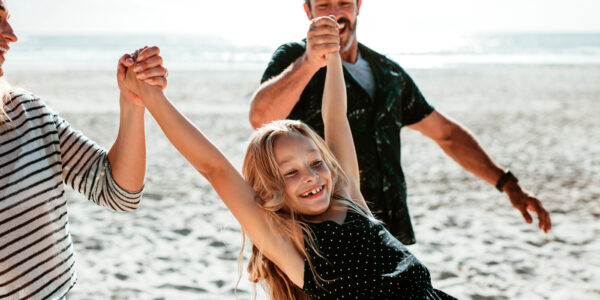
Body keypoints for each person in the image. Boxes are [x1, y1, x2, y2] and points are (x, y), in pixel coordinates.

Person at [121, 35, 456, 299]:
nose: (311, 176)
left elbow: (335, 115)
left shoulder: (350, 201)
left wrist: (333, 52)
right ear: (270, 189)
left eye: (315, 162)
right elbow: (215, 168)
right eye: (291, 172)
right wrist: (152, 98)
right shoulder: (290, 243)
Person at [249, 1, 552, 245]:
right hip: (327, 233)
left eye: (344, 3)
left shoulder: (388, 73)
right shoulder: (294, 57)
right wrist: (312, 60)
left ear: (359, 5)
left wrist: (506, 183)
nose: (336, 13)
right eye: (325, 4)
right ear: (308, 10)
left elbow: (445, 134)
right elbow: (260, 119)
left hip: (389, 233)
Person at [0, 1, 167, 298]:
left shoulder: (27, 112)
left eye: (7, 19)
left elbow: (118, 192)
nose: (11, 35)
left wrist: (132, 103)